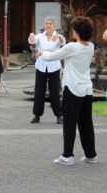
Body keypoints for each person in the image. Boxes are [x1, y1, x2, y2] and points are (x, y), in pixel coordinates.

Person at [39, 17, 97, 166]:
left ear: (77, 32)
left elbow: (51, 57)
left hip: (72, 88)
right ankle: (91, 154)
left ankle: (67, 156)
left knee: (69, 123)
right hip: (87, 89)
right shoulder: (90, 46)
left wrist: (42, 53)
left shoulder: (72, 47)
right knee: (86, 123)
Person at [28, 16, 66, 124]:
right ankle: (37, 115)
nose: (48, 25)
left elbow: (63, 43)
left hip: (54, 67)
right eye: (46, 23)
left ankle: (59, 115)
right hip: (41, 66)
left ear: (54, 26)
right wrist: (31, 38)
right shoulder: (40, 36)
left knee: (54, 92)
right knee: (39, 91)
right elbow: (33, 42)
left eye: (50, 24)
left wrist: (59, 36)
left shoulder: (58, 36)